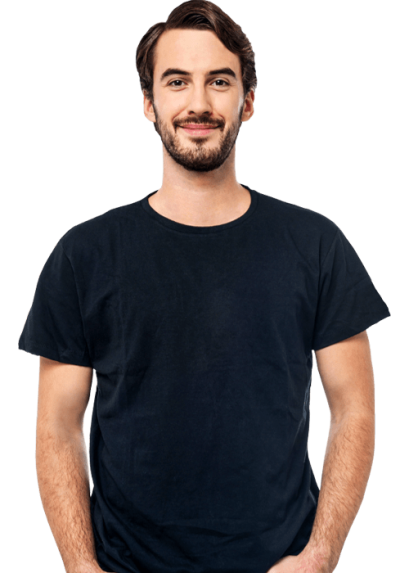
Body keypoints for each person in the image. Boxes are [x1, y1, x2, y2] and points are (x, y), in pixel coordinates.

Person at [18, 1, 391, 572]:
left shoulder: (316, 244)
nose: (198, 103)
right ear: (149, 102)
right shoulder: (83, 255)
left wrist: (319, 555)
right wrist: (80, 566)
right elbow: (57, 427)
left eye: (219, 81)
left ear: (248, 101)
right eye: (177, 82)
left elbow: (354, 410)